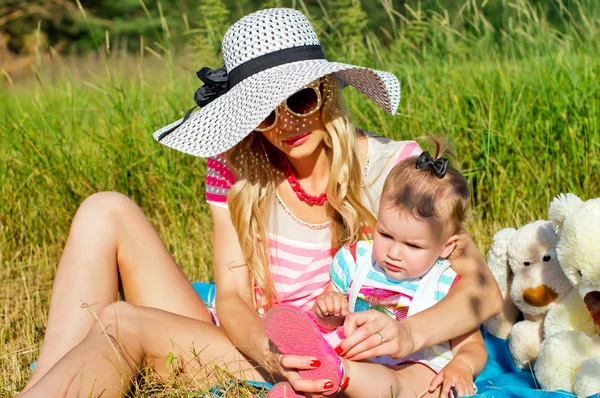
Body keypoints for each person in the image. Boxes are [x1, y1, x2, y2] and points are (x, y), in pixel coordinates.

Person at [18, 8, 502, 398]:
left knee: (119, 322)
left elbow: (481, 290)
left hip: (343, 358)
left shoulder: (395, 171)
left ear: (329, 88)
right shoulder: (235, 165)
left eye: (300, 100)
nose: (285, 124)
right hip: (255, 342)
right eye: (263, 111)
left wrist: (411, 336)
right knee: (104, 209)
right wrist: (273, 357)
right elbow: (230, 297)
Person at [264, 143, 487, 398]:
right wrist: (329, 309)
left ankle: (337, 375)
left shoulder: (445, 284)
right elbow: (329, 318)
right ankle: (315, 383)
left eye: (413, 245)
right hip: (355, 359)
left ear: (446, 246)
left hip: (411, 369)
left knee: (406, 383)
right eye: (385, 234)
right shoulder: (357, 260)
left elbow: (473, 346)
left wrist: (462, 365)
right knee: (321, 364)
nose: (393, 252)